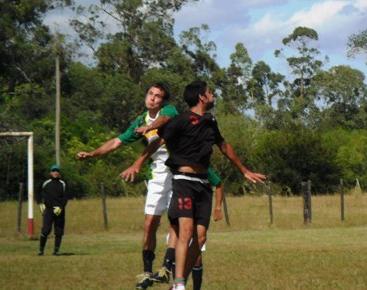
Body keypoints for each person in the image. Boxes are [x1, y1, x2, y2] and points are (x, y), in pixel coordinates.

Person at [143, 80, 265, 290]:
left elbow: (225, 147)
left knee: (199, 238)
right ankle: (179, 283)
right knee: (186, 231)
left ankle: (179, 282)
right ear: (201, 97)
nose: (212, 95)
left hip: (203, 185)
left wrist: (244, 170)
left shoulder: (211, 121)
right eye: (209, 92)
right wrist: (138, 161)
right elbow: (160, 140)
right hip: (182, 182)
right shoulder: (181, 119)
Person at [77, 82, 178, 289]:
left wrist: (150, 127)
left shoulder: (169, 111)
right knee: (150, 224)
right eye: (150, 93)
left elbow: (164, 120)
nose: (152, 98)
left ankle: (166, 268)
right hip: (157, 176)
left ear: (162, 100)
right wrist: (92, 153)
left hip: (177, 173)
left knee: (174, 222)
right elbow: (116, 142)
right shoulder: (140, 121)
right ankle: (147, 273)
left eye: (157, 96)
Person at [149, 166, 224, 289]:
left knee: (197, 256)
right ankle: (174, 279)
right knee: (178, 246)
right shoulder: (171, 170)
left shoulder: (200, 167)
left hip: (197, 214)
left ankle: (189, 285)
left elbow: (218, 183)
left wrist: (218, 207)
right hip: (180, 217)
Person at [37, 164, 67, 256]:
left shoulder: (63, 184)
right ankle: (41, 250)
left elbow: (65, 197)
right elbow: (38, 194)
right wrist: (40, 203)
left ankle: (56, 251)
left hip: (59, 211)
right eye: (54, 171)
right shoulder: (46, 183)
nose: (55, 172)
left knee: (59, 231)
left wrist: (61, 207)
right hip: (48, 210)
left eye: (57, 171)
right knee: (45, 230)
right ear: (51, 172)